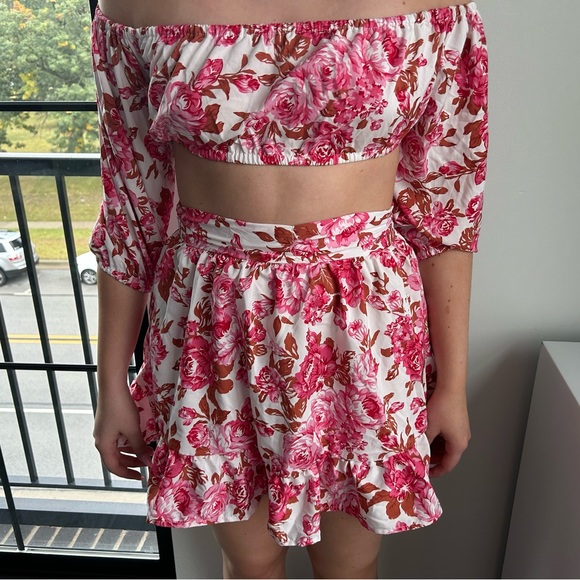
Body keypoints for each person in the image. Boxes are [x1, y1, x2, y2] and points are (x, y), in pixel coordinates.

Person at [91, 0, 488, 577]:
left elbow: (445, 210)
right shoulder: (135, 7)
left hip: (363, 325)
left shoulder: (438, 9)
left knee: (350, 564)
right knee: (249, 563)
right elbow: (130, 210)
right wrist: (111, 384)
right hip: (214, 324)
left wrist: (452, 385)